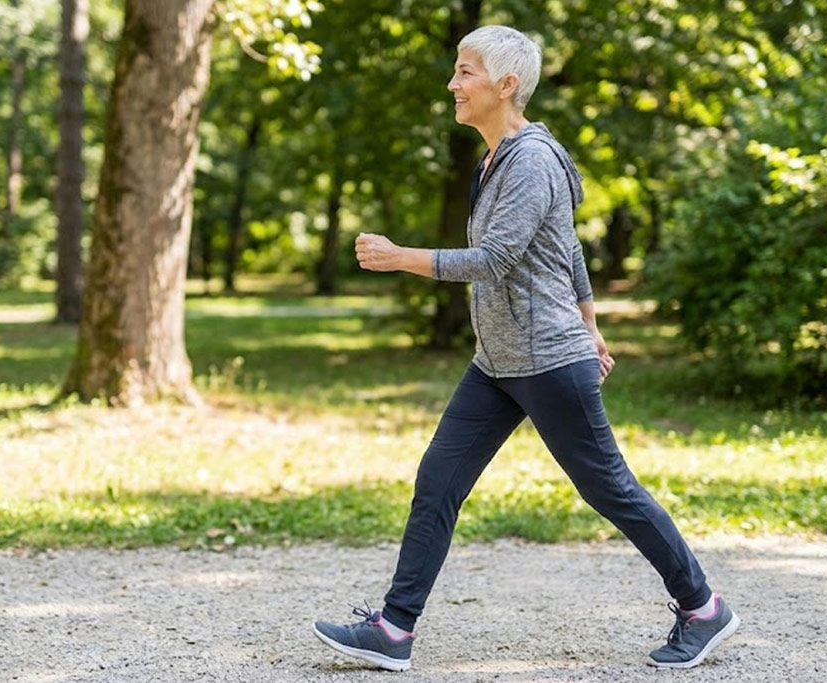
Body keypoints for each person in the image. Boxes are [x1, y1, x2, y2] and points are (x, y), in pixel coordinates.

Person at [312, 25, 739, 672]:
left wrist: (403, 258)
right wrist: (594, 322)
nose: (453, 84)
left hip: (547, 362)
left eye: (465, 72)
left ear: (506, 85)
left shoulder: (533, 161)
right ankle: (395, 629)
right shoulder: (496, 159)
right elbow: (566, 249)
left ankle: (704, 607)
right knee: (439, 481)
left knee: (612, 490)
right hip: (498, 361)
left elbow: (496, 259)